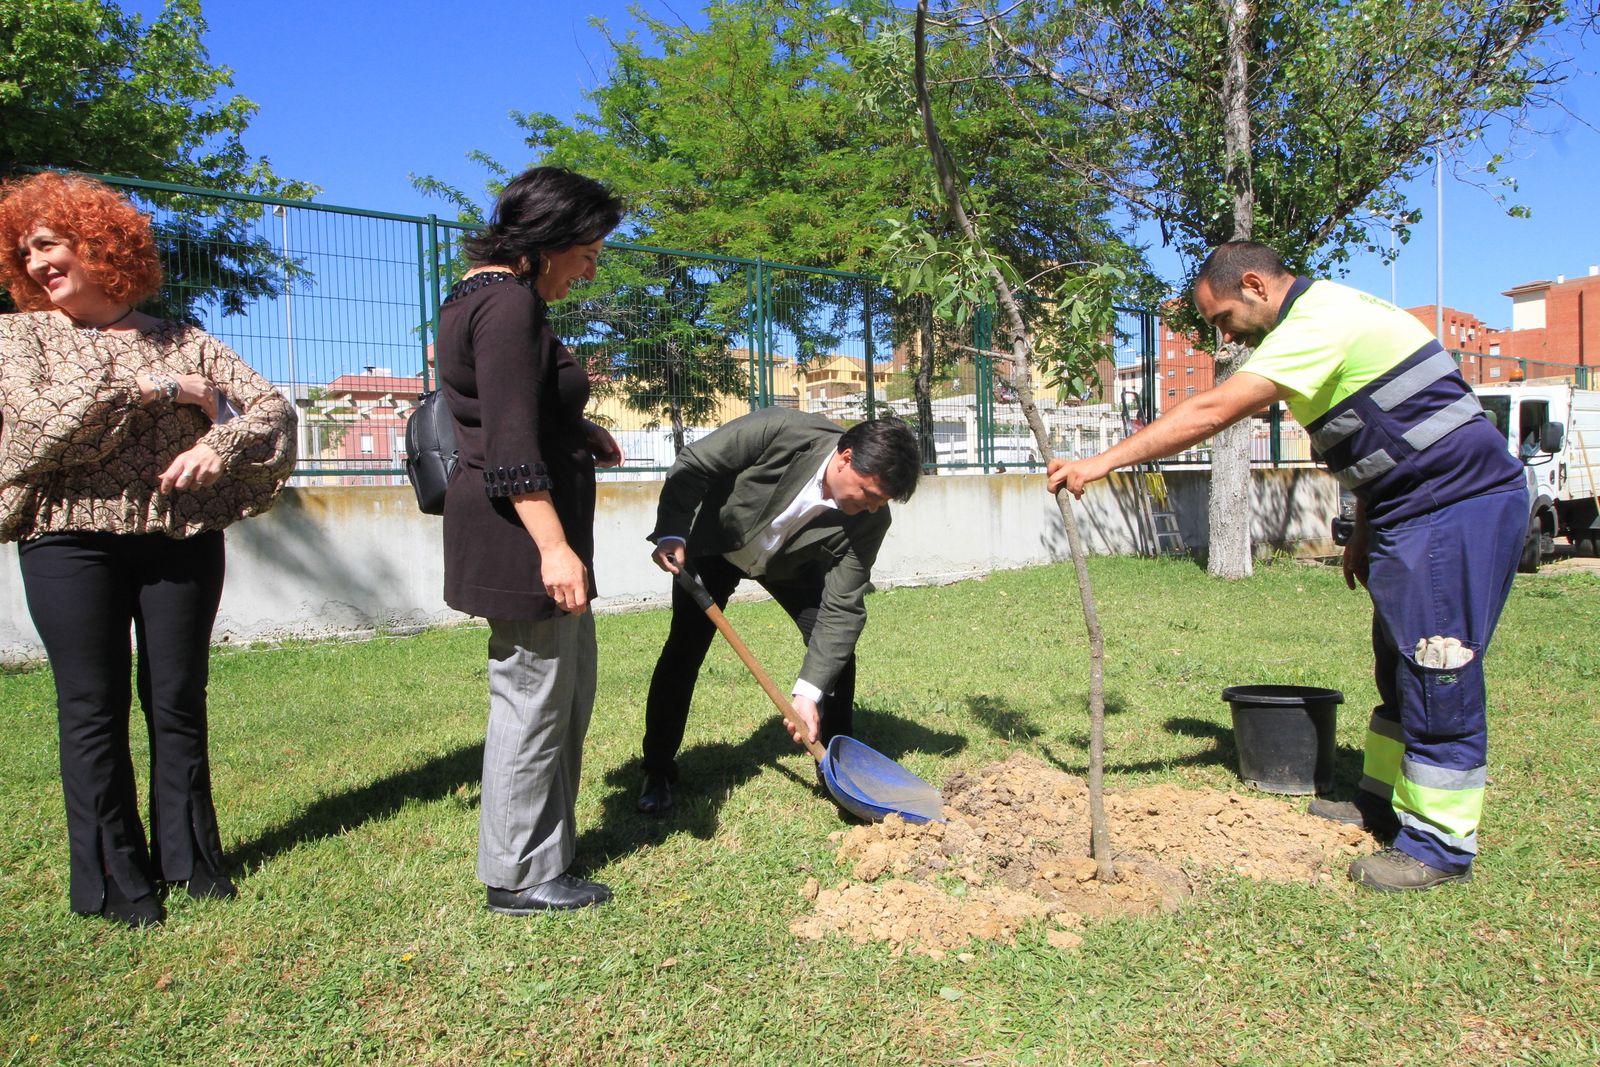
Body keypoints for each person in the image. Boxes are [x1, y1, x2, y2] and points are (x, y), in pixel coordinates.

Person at [1048, 241, 1527, 892]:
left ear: (1255, 284)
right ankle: (1380, 801)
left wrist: (1101, 462)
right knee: (1397, 662)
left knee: (1438, 668)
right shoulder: (1326, 315)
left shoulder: (1314, 324)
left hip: (1453, 508)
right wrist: (1363, 528)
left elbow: (1215, 409)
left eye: (1222, 319)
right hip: (1405, 509)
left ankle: (1439, 847)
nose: (1223, 335)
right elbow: (1377, 423)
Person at [0, 172, 297, 928]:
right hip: (68, 542)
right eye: (26, 250)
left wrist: (221, 440)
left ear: (101, 245)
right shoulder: (20, 337)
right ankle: (113, 884)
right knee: (90, 709)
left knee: (176, 703)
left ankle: (192, 863)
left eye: (50, 244)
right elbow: (39, 428)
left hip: (179, 539)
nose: (37, 264)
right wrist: (167, 391)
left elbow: (272, 408)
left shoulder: (183, 334)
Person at [436, 167, 625, 914]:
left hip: (525, 531)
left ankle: (546, 850)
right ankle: (517, 874)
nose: (590, 269)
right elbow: (508, 447)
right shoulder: (508, 303)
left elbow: (497, 405)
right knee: (531, 697)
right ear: (549, 243)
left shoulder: (473, 296)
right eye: (588, 253)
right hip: (522, 538)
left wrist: (579, 427)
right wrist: (554, 547)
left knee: (561, 692)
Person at [638, 409, 921, 814]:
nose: (874, 508)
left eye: (883, 501)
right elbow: (695, 463)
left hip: (789, 566)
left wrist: (807, 694)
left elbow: (842, 607)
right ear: (845, 458)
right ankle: (658, 770)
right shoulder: (785, 431)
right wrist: (672, 531)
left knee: (837, 656)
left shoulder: (869, 521)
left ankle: (837, 766)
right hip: (715, 544)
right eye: (869, 493)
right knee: (684, 652)